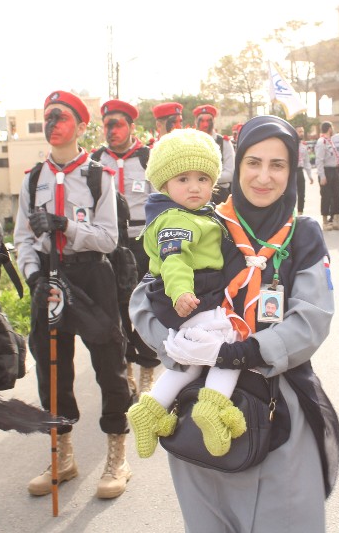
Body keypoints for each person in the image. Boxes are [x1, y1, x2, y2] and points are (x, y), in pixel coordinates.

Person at [129, 115, 339, 531]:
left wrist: (244, 352)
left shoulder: (303, 234)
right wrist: (176, 345)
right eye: (253, 163)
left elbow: (313, 318)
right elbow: (143, 300)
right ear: (237, 164)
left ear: (292, 169)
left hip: (281, 407)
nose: (264, 177)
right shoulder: (200, 220)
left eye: (277, 165)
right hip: (199, 415)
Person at [14, 91, 132, 500]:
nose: (52, 123)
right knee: (52, 372)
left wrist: (65, 225)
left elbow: (109, 238)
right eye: (47, 116)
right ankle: (62, 455)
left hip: (91, 278)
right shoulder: (32, 179)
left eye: (60, 116)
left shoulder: (99, 176)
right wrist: (33, 278)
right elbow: (22, 240)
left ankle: (117, 456)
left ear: (82, 127)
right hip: (49, 280)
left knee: (109, 367)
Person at [126, 128, 244, 459]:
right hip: (193, 298)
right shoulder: (175, 220)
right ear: (164, 184)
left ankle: (150, 408)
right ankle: (213, 406)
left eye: (203, 179)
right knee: (230, 346)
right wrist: (181, 294)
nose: (194, 187)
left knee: (192, 360)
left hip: (195, 297)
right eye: (183, 179)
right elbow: (174, 260)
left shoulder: (198, 214)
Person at [92, 99, 160, 398]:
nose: (111, 131)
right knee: (115, 311)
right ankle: (126, 370)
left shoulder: (148, 158)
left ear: (132, 127)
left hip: (142, 242)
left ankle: (148, 370)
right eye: (106, 125)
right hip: (109, 246)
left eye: (117, 125)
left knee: (146, 305)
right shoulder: (94, 162)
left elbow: (161, 200)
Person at [193, 104, 235, 204]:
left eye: (208, 121)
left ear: (214, 122)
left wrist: (203, 178)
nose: (205, 125)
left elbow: (230, 174)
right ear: (196, 122)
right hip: (195, 194)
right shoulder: (189, 141)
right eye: (202, 121)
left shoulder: (224, 142)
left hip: (220, 196)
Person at [316, 121, 339, 231]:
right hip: (326, 171)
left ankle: (336, 220)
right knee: (326, 197)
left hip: (334, 170)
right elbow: (319, 160)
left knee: (337, 196)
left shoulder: (329, 141)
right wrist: (322, 176)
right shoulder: (321, 142)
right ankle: (325, 221)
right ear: (329, 129)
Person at [296, 125, 314, 215]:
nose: (301, 133)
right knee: (290, 194)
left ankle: (300, 213)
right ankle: (289, 214)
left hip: (299, 171)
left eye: (302, 131)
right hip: (291, 172)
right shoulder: (289, 144)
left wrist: (310, 175)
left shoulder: (303, 146)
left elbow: (307, 162)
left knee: (301, 193)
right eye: (299, 131)